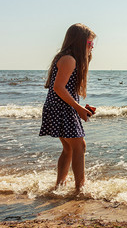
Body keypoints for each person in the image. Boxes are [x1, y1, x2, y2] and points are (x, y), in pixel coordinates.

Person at [39, 23, 96, 194]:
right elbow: (58, 88)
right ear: (79, 42)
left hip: (62, 107)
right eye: (89, 43)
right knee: (79, 146)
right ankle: (80, 188)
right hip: (61, 109)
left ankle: (60, 186)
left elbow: (64, 89)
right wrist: (78, 108)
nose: (92, 47)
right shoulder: (68, 59)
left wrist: (80, 107)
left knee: (69, 147)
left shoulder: (68, 58)